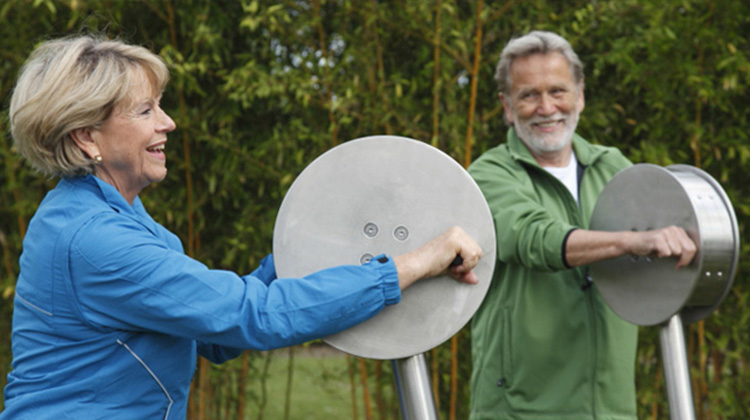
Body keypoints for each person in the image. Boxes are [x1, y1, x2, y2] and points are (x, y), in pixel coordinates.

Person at [0, 35, 483, 420]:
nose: (167, 123)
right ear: (86, 137)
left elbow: (214, 334)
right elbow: (255, 317)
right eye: (145, 111)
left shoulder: (103, 215)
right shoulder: (94, 241)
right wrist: (410, 264)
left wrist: (320, 246)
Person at [468, 31, 696, 420]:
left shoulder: (614, 167)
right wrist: (632, 242)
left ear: (580, 95)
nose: (546, 107)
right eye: (528, 95)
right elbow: (533, 238)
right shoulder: (488, 175)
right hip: (519, 409)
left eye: (558, 91)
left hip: (610, 407)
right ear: (507, 106)